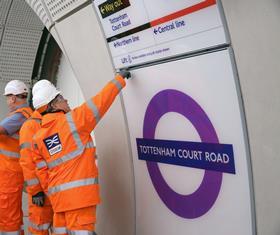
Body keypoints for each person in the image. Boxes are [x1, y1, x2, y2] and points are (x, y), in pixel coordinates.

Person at [31, 70, 131, 235]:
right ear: (53, 105)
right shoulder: (74, 121)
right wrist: (119, 79)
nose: (66, 100)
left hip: (59, 203)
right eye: (61, 98)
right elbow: (101, 101)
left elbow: (41, 172)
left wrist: (57, 195)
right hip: (80, 201)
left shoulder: (38, 138)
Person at [0, 80, 33, 234]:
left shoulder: (19, 116)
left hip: (9, 176)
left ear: (13, 98)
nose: (7, 101)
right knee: (13, 216)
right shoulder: (25, 115)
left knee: (9, 218)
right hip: (11, 174)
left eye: (8, 98)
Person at [19, 103, 53, 234]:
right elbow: (28, 162)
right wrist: (36, 191)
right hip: (41, 194)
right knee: (39, 227)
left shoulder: (54, 121)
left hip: (56, 190)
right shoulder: (30, 126)